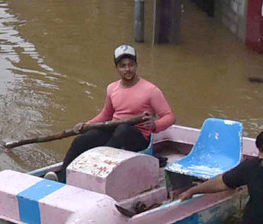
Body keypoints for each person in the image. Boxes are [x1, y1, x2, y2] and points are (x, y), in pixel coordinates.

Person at [56, 45, 175, 181]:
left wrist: (155, 125)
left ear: (136, 65)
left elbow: (170, 117)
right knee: (82, 140)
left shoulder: (151, 90)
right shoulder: (112, 88)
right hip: (115, 132)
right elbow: (105, 115)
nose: (127, 69)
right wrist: (85, 125)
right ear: (117, 68)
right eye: (123, 66)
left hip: (138, 138)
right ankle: (62, 178)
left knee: (122, 130)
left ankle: (95, 174)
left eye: (131, 65)